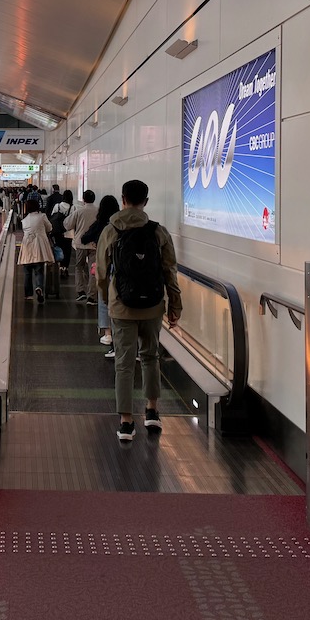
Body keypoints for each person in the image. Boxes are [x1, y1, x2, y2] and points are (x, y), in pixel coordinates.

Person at [96, 179, 182, 442]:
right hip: (154, 306)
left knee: (124, 363)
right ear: (145, 201)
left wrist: (107, 298)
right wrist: (175, 305)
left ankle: (126, 423)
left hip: (122, 307)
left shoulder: (110, 231)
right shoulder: (159, 232)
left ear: (123, 199)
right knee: (150, 357)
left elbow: (101, 273)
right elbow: (170, 271)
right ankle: (153, 411)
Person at [84, 194, 119, 353]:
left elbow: (85, 238)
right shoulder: (120, 224)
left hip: (104, 265)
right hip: (121, 269)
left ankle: (108, 334)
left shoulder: (100, 225)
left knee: (104, 300)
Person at [18, 195, 55, 305]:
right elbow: (50, 228)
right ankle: (39, 287)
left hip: (27, 246)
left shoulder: (24, 220)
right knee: (39, 271)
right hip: (39, 247)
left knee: (27, 272)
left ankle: (28, 295)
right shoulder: (42, 216)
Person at [66, 190, 99, 305]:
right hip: (94, 244)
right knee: (93, 270)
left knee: (79, 266)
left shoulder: (79, 211)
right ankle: (92, 296)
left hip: (80, 244)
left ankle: (81, 292)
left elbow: (67, 224)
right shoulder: (98, 211)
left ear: (84, 199)